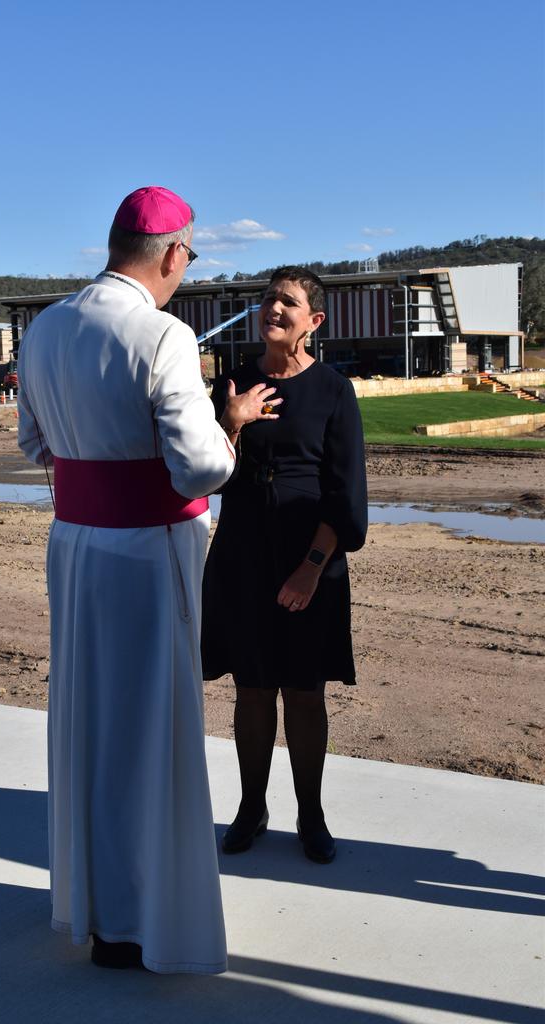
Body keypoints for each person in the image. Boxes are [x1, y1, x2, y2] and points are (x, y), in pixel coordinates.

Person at [17, 187, 264, 974]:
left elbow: (33, 444)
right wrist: (230, 430)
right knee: (150, 731)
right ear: (171, 254)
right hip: (148, 552)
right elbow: (199, 467)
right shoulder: (162, 335)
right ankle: (143, 919)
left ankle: (90, 903)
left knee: (88, 721)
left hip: (75, 546)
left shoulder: (46, 327)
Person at [201, 266, 367, 864]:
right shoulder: (233, 382)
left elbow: (344, 494)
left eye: (288, 302)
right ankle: (251, 808)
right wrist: (232, 420)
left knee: (303, 690)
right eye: (269, 298)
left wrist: (312, 566)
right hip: (243, 553)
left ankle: (312, 814)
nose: (274, 308)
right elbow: (204, 468)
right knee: (251, 689)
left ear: (312, 322)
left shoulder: (332, 391)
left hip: (310, 557)